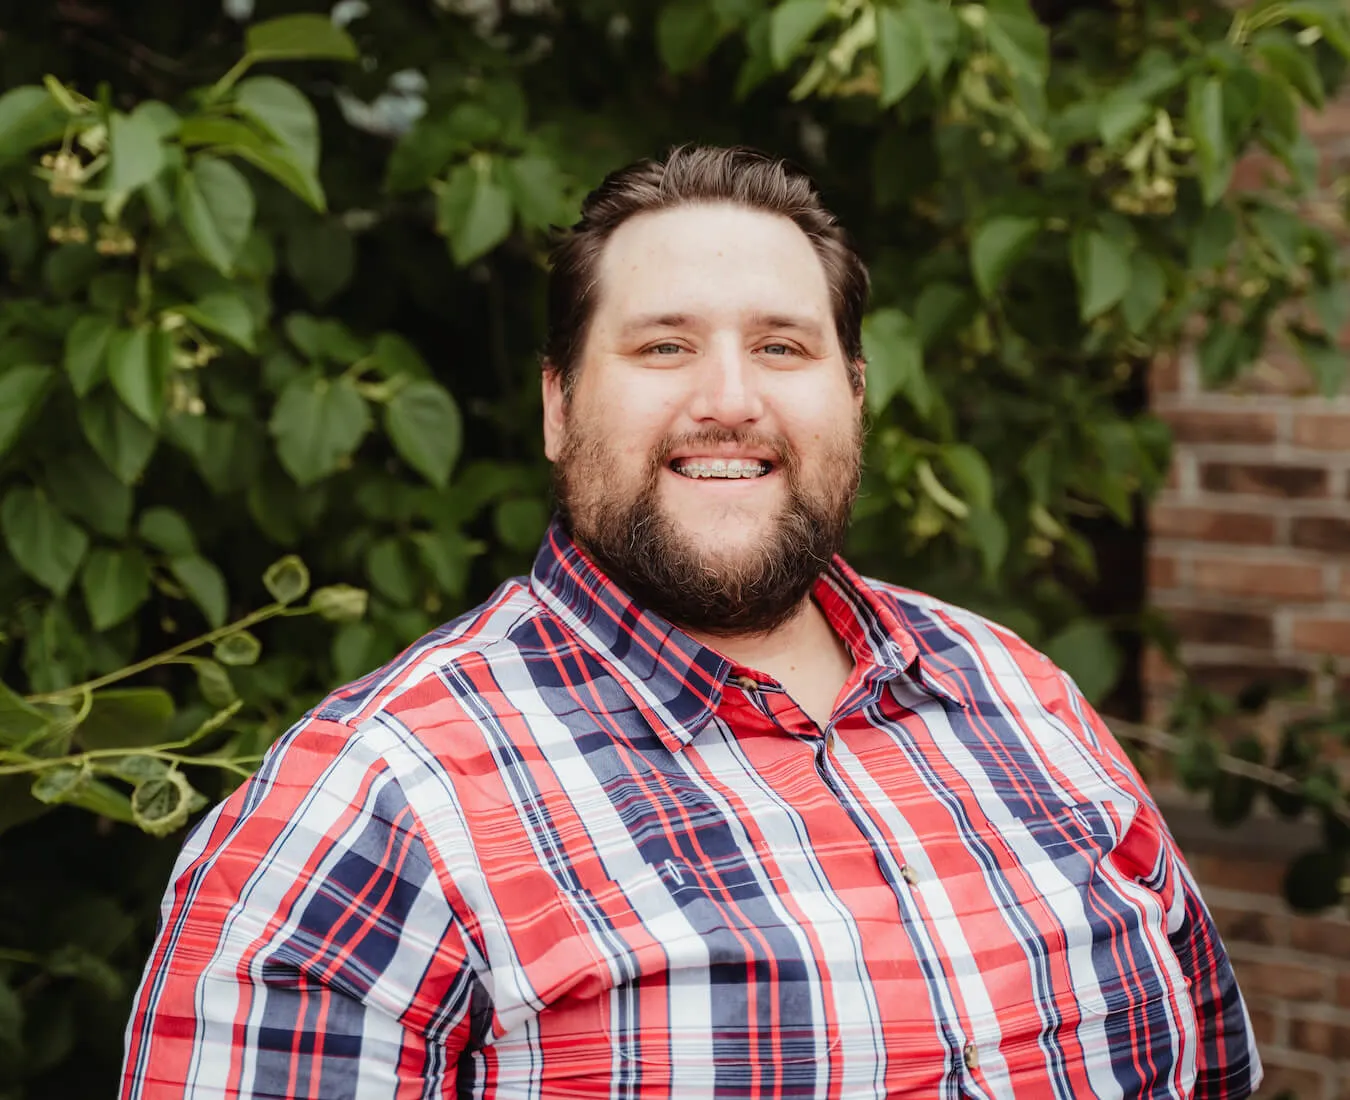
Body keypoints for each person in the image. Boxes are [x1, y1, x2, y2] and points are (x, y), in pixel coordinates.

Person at [120, 145, 1262, 1099]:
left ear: (854, 395)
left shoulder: (1020, 693)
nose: (730, 397)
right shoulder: (369, 806)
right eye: (664, 345)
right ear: (559, 405)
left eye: (782, 345)